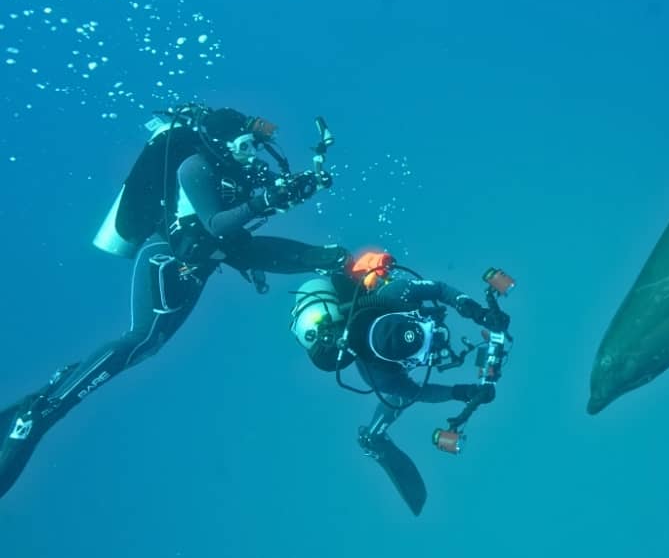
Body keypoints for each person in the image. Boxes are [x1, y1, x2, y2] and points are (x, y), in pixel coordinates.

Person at [0, 103, 352, 499]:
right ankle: (45, 412)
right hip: (167, 258)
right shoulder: (194, 166)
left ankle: (57, 387)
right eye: (245, 145)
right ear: (221, 141)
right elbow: (217, 224)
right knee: (144, 337)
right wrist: (266, 200)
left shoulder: (240, 170)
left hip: (198, 266)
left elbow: (242, 238)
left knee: (151, 344)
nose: (250, 154)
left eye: (254, 146)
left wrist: (302, 188)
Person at [287, 253, 510, 514]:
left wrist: (476, 312)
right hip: (386, 375)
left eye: (425, 334)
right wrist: (462, 392)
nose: (430, 342)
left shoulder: (395, 294)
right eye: (419, 350)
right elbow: (415, 392)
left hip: (379, 309)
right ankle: (372, 437)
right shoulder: (378, 375)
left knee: (399, 392)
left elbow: (438, 289)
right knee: (398, 397)